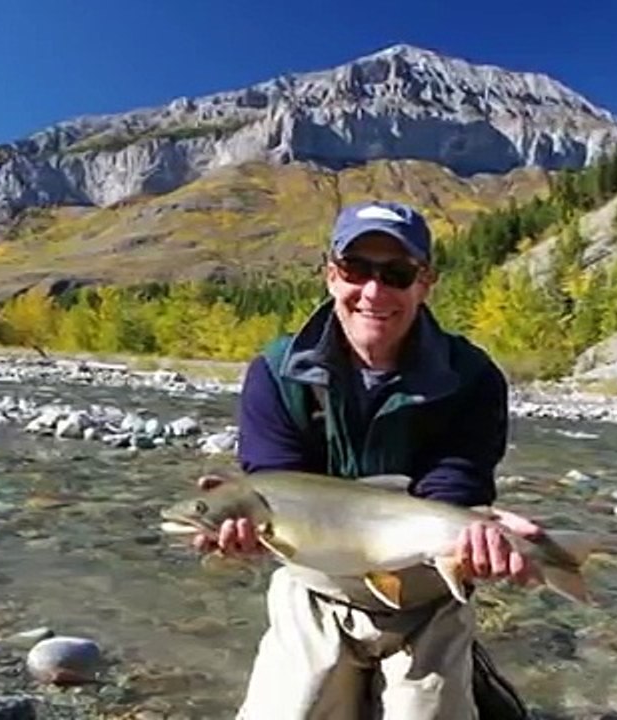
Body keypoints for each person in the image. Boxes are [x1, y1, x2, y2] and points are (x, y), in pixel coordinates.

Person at [192, 200, 541, 719]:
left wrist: (482, 533)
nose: (374, 292)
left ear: (425, 283)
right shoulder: (276, 372)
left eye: (397, 274)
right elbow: (274, 481)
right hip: (316, 589)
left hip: (426, 595)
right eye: (357, 270)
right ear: (332, 275)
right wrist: (241, 538)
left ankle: (467, 671)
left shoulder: (473, 377)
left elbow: (455, 486)